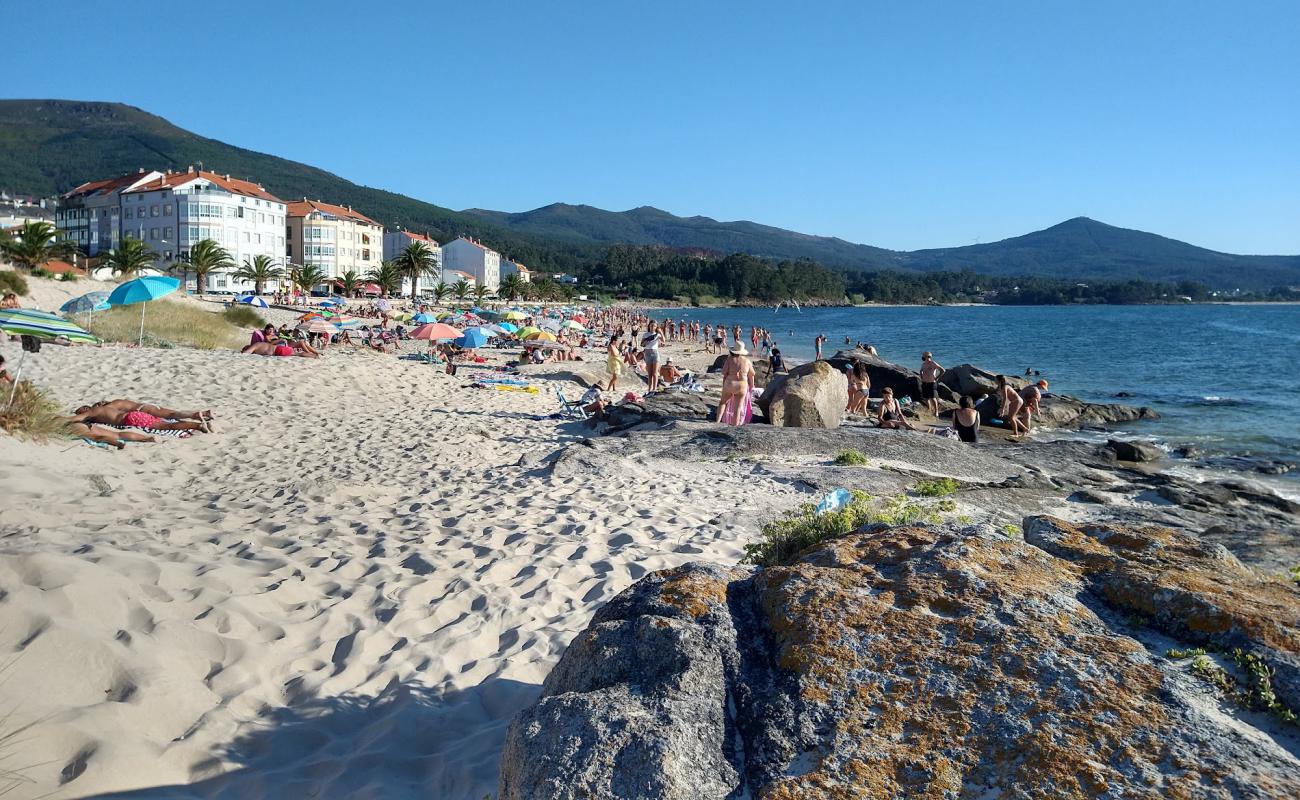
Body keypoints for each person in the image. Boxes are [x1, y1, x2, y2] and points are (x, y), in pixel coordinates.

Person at [71, 405, 209, 433]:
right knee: (167, 420)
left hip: (132, 420)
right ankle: (196, 422)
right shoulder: (106, 408)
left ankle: (197, 426)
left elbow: (75, 419)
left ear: (86, 409)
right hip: (136, 414)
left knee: (166, 426)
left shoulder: (93, 412)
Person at [75, 399, 211, 423]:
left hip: (143, 409)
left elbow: (106, 412)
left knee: (172, 415)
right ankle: (204, 414)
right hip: (145, 406)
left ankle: (195, 415)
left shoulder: (113, 404)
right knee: (173, 413)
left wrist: (91, 415)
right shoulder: (118, 401)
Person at [716, 343, 755, 425]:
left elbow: (724, 372)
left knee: (723, 402)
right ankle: (735, 427)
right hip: (742, 385)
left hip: (730, 383)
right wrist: (752, 385)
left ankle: (717, 422)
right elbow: (752, 374)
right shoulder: (747, 361)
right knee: (738, 408)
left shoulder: (729, 359)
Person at [66, 420, 158, 449]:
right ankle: (146, 438)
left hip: (76, 425)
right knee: (117, 434)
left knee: (97, 437)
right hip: (82, 424)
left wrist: (118, 444)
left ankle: (118, 443)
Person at [919, 352, 945, 417]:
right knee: (926, 398)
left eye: (929, 357)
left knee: (933, 398)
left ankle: (936, 411)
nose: (927, 358)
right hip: (925, 382)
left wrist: (937, 378)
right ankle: (929, 409)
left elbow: (943, 370)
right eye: (926, 356)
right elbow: (921, 370)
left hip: (932, 382)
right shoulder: (923, 364)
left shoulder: (933, 363)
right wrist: (921, 376)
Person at [642, 325, 662, 393]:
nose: (652, 327)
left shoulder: (657, 335)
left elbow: (664, 340)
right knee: (650, 373)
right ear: (649, 326)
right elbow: (642, 344)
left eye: (654, 326)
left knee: (655, 373)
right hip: (648, 353)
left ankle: (654, 388)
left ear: (656, 327)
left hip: (655, 352)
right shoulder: (646, 334)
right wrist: (646, 341)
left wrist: (661, 332)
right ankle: (650, 389)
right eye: (651, 326)